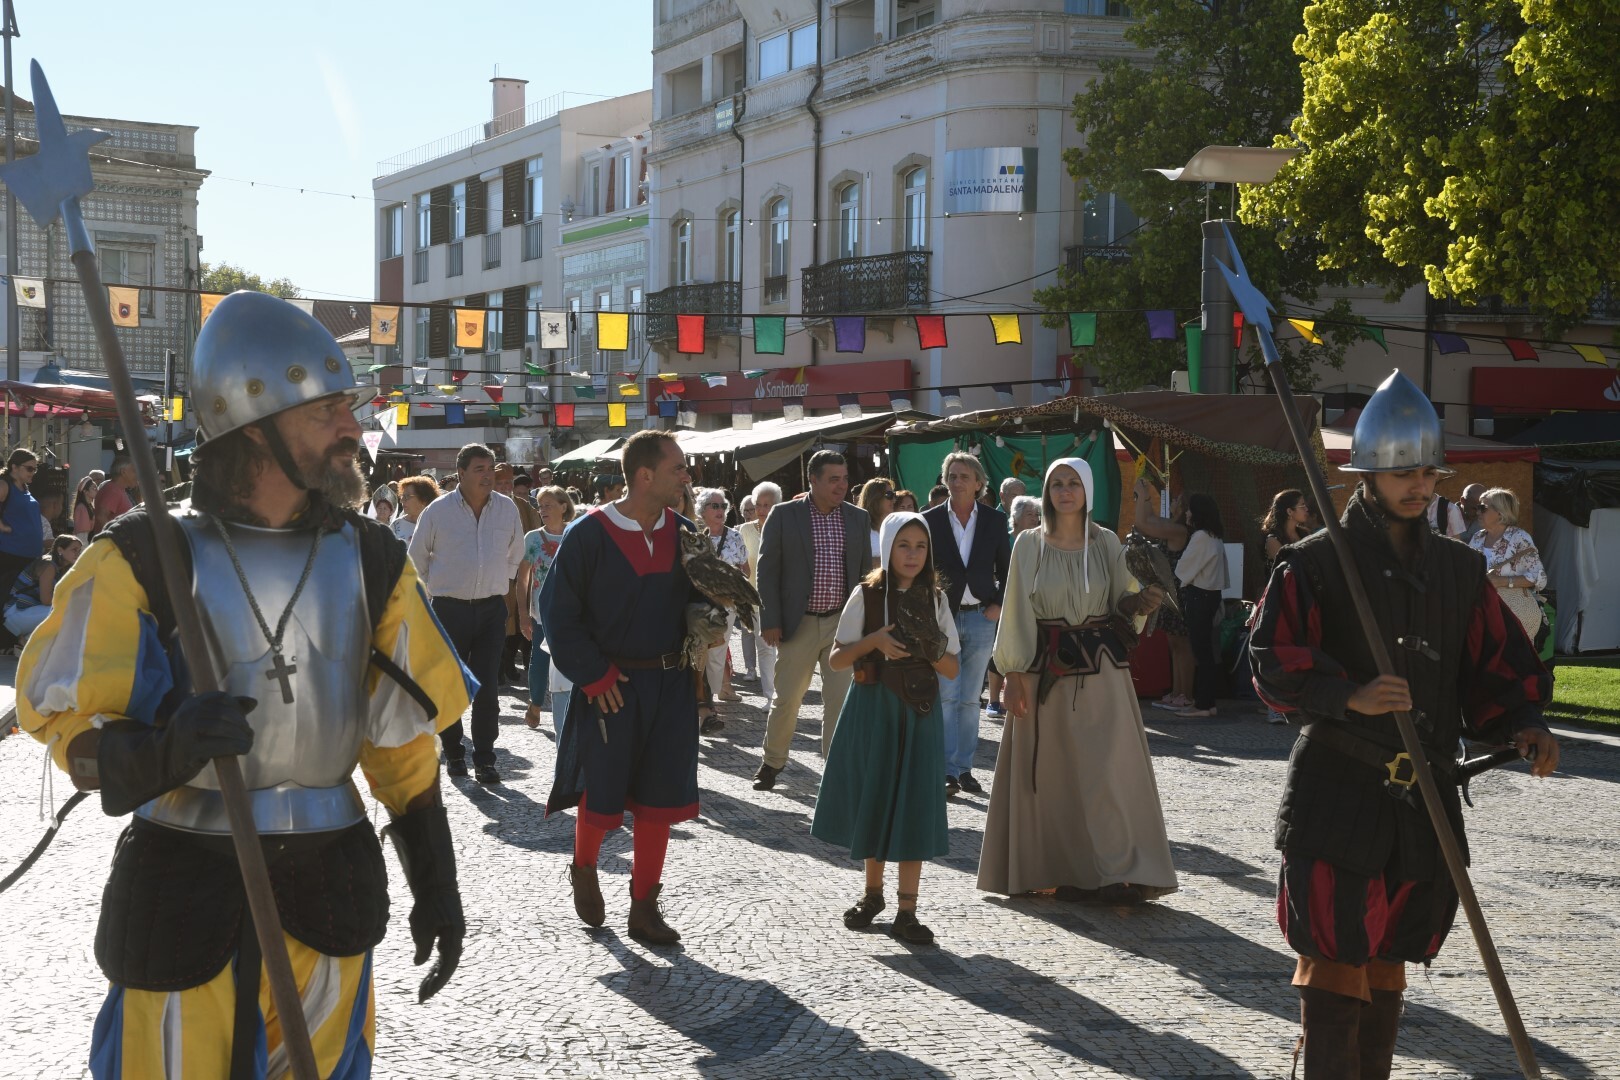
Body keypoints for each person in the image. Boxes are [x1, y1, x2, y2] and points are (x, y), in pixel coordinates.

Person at [17, 290, 470, 1073]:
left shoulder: (371, 561)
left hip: (330, 890)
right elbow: (68, 726)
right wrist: (162, 752)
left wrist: (437, 883)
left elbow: (401, 746)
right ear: (254, 425)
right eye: (327, 409)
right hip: (184, 891)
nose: (353, 428)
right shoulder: (144, 555)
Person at [1247, 370, 1557, 1078]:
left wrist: (1523, 721)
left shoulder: (1459, 570)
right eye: (1402, 473)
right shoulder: (1315, 562)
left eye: (1427, 473)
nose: (1419, 485)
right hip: (1337, 790)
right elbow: (1272, 661)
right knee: (1335, 966)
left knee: (1388, 966)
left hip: (1423, 795)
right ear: (1368, 475)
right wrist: (1346, 694)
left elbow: (1496, 664)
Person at [978, 457, 1176, 904]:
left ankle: (1119, 871)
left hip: (1103, 674)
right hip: (1046, 674)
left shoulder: (1106, 542)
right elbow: (1016, 610)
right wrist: (1012, 672)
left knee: (1109, 773)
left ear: (1087, 490)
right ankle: (1067, 872)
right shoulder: (1028, 544)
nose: (1065, 491)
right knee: (1056, 778)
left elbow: (1124, 600)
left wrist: (1142, 602)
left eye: (1073, 483)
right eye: (1057, 484)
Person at [541, 429, 711, 945]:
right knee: (603, 789)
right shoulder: (588, 534)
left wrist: (710, 618)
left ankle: (644, 908)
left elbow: (702, 598)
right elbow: (557, 613)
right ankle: (584, 866)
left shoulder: (687, 534)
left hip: (671, 684)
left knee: (660, 798)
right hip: (611, 685)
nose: (686, 477)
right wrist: (594, 675)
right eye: (678, 468)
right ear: (644, 475)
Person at [812, 512, 961, 944]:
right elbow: (837, 659)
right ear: (888, 547)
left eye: (920, 546)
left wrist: (927, 645)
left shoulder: (935, 599)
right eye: (903, 545)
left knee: (914, 802)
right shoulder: (867, 595)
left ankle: (907, 911)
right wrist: (874, 641)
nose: (912, 554)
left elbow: (952, 668)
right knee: (874, 796)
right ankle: (872, 895)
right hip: (873, 707)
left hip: (919, 711)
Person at [754, 450, 872, 791]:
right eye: (833, 479)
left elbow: (865, 575)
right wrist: (770, 619)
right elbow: (766, 570)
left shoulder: (857, 517)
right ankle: (772, 762)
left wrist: (865, 625)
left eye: (845, 479)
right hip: (798, 623)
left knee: (839, 701)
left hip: (842, 624)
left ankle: (835, 771)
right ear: (813, 480)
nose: (841, 486)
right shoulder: (784, 514)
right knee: (788, 698)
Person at [409, 442, 526, 785]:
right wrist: (435, 592)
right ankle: (454, 752)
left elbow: (515, 553)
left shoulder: (506, 509)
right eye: (479, 470)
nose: (488, 476)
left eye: (490, 469)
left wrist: (498, 581)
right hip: (448, 610)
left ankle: (485, 758)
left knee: (488, 688)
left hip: (491, 609)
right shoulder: (438, 511)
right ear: (460, 473)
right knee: (449, 686)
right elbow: (416, 559)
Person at [923, 452, 1009, 796]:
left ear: (978, 483)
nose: (957, 482)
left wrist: (998, 604)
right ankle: (945, 769)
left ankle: (964, 768)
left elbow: (1008, 567)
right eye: (952, 476)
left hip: (981, 617)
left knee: (971, 699)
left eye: (963, 476)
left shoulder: (994, 520)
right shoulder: (929, 520)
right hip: (943, 618)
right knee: (946, 696)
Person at [1132, 478, 1196, 713]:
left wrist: (1143, 496)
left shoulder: (1179, 530)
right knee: (1174, 644)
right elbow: (1148, 519)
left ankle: (1186, 695)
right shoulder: (1172, 526)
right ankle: (1178, 693)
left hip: (1180, 595)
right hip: (1171, 593)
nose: (1174, 501)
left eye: (1178, 500)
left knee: (1183, 645)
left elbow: (1143, 523)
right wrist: (1145, 495)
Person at [518, 484, 574, 733]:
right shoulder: (532, 538)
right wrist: (523, 614)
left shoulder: (575, 533)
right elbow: (523, 579)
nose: (543, 510)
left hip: (571, 615)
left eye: (548, 505)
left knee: (569, 663)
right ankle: (536, 703)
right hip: (541, 614)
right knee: (539, 662)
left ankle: (569, 707)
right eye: (540, 506)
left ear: (563, 506)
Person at [1257, 488, 1314, 722]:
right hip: (1279, 599)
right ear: (1289, 511)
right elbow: (1285, 570)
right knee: (1279, 647)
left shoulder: (1305, 534)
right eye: (1302, 506)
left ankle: (1298, 701)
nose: (1306, 510)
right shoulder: (1273, 540)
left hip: (1303, 598)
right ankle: (1275, 705)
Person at [1173, 493, 1230, 719]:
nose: (1187, 513)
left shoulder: (1200, 536)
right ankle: (1207, 702)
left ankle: (1203, 704)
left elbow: (1183, 569)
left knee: (1201, 652)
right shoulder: (1214, 536)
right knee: (1206, 651)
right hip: (1211, 597)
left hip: (1199, 596)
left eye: (1190, 509)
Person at [1470, 486, 1549, 647]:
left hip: (1513, 612)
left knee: (1510, 657)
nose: (1477, 512)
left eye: (1483, 508)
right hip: (1481, 611)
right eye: (1477, 507)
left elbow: (1538, 578)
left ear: (1500, 513)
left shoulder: (1519, 538)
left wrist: (1501, 581)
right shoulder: (1477, 538)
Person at [697, 486, 748, 732]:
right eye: (714, 506)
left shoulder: (735, 537)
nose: (720, 510)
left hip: (726, 605)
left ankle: (710, 699)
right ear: (702, 510)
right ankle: (702, 703)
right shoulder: (694, 535)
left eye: (723, 506)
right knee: (698, 654)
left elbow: (745, 569)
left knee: (717, 655)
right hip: (697, 606)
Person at [986, 495, 1042, 717]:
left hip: (1030, 604)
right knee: (1003, 647)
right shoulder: (1005, 540)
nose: (1035, 519)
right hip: (1003, 602)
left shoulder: (1041, 542)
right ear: (1016, 518)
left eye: (1037, 515)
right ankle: (993, 700)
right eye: (1029, 514)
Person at [495, 462, 543, 685]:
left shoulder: (524, 507)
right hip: (497, 576)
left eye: (508, 483)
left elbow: (535, 535)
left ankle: (509, 665)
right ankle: (498, 668)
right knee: (501, 623)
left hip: (521, 574)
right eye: (500, 483)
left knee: (518, 623)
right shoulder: (487, 506)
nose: (505, 487)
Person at [738, 481, 781, 699]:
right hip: (754, 598)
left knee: (783, 651)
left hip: (781, 599)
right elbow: (741, 564)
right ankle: (770, 696)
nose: (762, 510)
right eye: (758, 505)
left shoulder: (785, 527)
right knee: (764, 649)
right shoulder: (745, 530)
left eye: (767, 505)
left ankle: (784, 694)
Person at [3, 533, 81, 642]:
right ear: (60, 550)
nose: (78, 554)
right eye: (74, 550)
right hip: (15, 614)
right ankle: (25, 640)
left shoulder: (60, 568)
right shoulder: (49, 565)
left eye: (79, 551)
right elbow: (46, 600)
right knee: (66, 610)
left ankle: (25, 641)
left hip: (28, 612)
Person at [0, 449, 45, 605]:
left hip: (29, 555)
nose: (33, 472)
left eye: (35, 469)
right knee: (5, 599)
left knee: (20, 600)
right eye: (29, 468)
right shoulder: (4, 484)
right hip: (10, 555)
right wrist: (2, 526)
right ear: (14, 467)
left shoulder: (24, 488)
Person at [856, 478, 896, 568]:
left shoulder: (895, 528)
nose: (894, 500)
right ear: (875, 498)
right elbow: (858, 561)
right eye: (889, 495)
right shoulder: (860, 530)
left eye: (894, 495)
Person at [92, 455, 138, 533]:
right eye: (134, 471)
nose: (137, 475)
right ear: (123, 472)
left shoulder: (117, 489)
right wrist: (117, 536)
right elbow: (101, 517)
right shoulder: (113, 490)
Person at [394, 473, 440, 542]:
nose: (402, 500)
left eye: (407, 496)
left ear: (423, 500)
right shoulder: (396, 525)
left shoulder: (436, 526)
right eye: (402, 496)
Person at [72, 475, 97, 543]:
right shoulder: (82, 508)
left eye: (96, 488)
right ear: (85, 491)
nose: (96, 490)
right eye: (93, 488)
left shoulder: (89, 506)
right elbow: (82, 536)